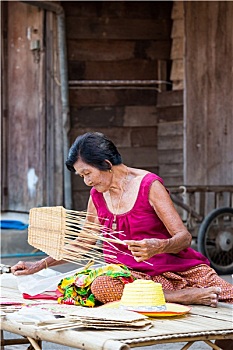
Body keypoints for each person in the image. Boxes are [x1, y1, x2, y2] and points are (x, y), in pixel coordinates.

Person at [11, 132, 233, 309]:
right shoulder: (97, 195)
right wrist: (39, 265)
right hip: (134, 279)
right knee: (102, 285)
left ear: (106, 164)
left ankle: (178, 295)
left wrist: (159, 246)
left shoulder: (148, 185)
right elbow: (83, 242)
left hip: (179, 269)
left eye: (87, 174)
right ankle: (180, 297)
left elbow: (183, 238)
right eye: (81, 177)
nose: (86, 182)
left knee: (229, 299)